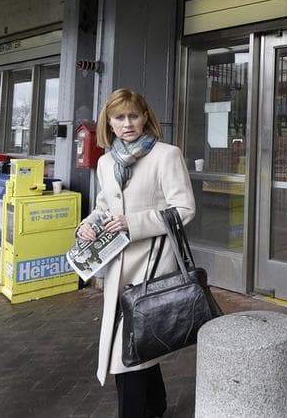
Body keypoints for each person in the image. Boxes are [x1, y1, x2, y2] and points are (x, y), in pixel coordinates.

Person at [76, 89, 195, 418]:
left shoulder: (166, 155)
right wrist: (87, 226)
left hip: (152, 264)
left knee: (124, 351)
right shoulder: (105, 162)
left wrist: (134, 223)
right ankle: (156, 406)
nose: (127, 123)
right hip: (118, 265)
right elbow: (103, 207)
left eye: (133, 116)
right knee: (138, 344)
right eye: (119, 117)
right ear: (109, 123)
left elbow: (184, 209)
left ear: (145, 118)